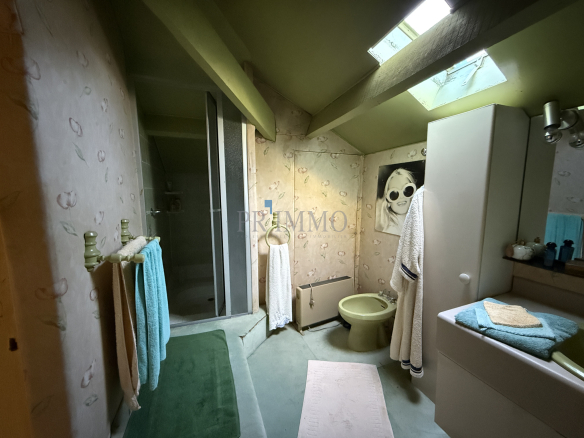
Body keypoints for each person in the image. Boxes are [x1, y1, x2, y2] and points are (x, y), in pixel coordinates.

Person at [375, 168, 417, 236]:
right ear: (388, 202)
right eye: (394, 193)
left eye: (407, 190)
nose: (401, 197)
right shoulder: (392, 230)